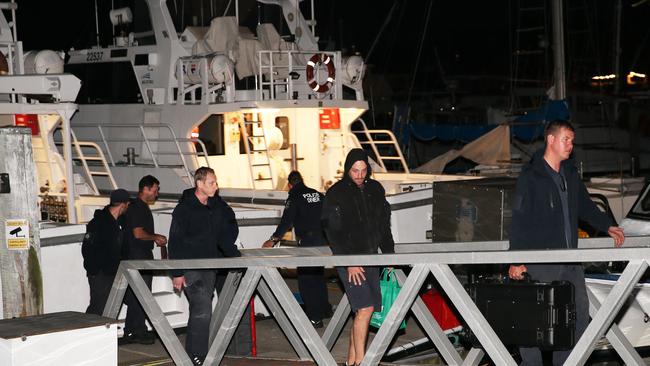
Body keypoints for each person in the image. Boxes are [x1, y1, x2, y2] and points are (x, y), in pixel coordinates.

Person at [508, 120, 625, 365]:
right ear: (551, 140)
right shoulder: (530, 176)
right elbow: (519, 219)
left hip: (570, 263)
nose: (571, 145)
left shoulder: (570, 174)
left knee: (578, 319)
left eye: (572, 140)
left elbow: (584, 206)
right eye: (566, 139)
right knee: (534, 322)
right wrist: (516, 259)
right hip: (540, 262)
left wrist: (607, 225)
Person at [322, 149, 395, 366]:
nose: (359, 175)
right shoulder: (336, 193)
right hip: (350, 260)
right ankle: (363, 362)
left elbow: (384, 225)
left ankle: (352, 361)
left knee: (364, 310)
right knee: (365, 308)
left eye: (363, 170)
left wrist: (389, 255)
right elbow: (332, 232)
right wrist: (349, 261)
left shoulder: (375, 189)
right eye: (355, 170)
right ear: (347, 169)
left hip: (372, 257)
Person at [168, 167, 242, 365]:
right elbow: (174, 242)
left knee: (203, 309)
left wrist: (233, 255)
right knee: (202, 308)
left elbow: (227, 230)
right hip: (191, 267)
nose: (216, 186)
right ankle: (197, 356)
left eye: (216, 182)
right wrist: (177, 273)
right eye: (211, 183)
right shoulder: (184, 209)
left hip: (211, 267)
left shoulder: (218, 206)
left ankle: (198, 352)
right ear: (199, 184)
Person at [262, 170, 331, 328]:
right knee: (318, 276)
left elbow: (287, 221)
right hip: (322, 240)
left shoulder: (294, 196)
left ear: (290, 185)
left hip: (307, 241)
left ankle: (314, 317)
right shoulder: (317, 194)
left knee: (306, 279)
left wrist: (273, 239)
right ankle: (324, 310)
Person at [122, 175, 167, 345]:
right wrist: (156, 237)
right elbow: (138, 233)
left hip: (135, 254)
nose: (156, 194)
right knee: (141, 294)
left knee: (137, 294)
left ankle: (133, 330)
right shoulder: (139, 208)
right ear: (146, 189)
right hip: (138, 255)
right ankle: (136, 330)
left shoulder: (135, 207)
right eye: (155, 190)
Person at [82, 188, 130, 316]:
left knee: (113, 306)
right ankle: (87, 333)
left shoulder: (121, 222)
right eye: (127, 204)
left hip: (115, 271)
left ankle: (106, 332)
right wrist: (95, 270)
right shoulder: (98, 222)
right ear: (123, 204)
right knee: (98, 307)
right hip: (100, 273)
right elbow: (87, 248)